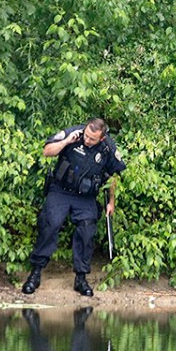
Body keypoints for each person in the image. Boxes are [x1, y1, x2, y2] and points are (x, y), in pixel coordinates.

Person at [22, 117, 126, 296]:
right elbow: (47, 151)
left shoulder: (108, 147)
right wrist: (65, 142)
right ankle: (35, 273)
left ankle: (81, 278)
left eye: (92, 139)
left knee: (87, 230)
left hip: (85, 197)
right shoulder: (73, 134)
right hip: (60, 190)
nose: (87, 140)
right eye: (86, 135)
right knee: (51, 223)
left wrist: (111, 202)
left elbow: (114, 175)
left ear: (101, 138)